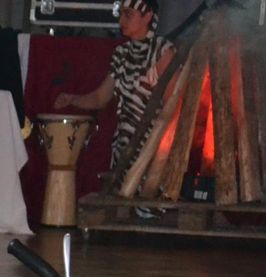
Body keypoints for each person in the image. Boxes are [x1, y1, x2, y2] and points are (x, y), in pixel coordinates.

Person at [53, 0, 175, 168]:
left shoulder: (163, 52)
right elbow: (100, 98)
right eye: (121, 14)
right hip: (123, 149)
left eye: (128, 15)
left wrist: (161, 154)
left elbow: (172, 106)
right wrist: (72, 99)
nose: (121, 21)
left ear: (147, 17)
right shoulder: (122, 53)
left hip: (152, 151)